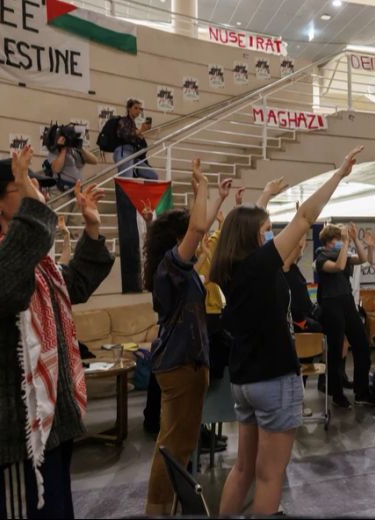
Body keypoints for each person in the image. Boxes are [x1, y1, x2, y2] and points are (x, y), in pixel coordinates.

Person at [0, 147, 113, 519]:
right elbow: (1, 290)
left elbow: (73, 285)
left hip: (48, 433)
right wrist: (35, 218)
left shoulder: (26, 259)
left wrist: (93, 229)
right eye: (24, 184)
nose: (37, 190)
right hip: (12, 442)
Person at [212, 146, 364, 516]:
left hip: (243, 379)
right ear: (253, 237)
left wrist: (263, 196)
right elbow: (307, 215)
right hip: (273, 377)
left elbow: (237, 224)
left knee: (245, 468)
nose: (271, 236)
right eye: (266, 231)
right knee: (269, 475)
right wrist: (338, 175)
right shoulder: (261, 265)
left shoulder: (229, 267)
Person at [142, 160, 231, 515]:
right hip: (180, 365)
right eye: (191, 236)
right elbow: (196, 227)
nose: (198, 238)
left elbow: (200, 228)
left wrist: (217, 200)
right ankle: (157, 509)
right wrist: (202, 188)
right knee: (174, 446)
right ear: (178, 241)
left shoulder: (181, 271)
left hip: (186, 364)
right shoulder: (170, 267)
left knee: (180, 443)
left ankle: (168, 504)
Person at [314, 222, 375, 408]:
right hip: (331, 303)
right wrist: (346, 242)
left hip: (346, 301)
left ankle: (361, 391)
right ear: (328, 242)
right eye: (337, 240)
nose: (341, 243)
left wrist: (356, 239)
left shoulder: (342, 253)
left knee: (362, 345)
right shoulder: (321, 258)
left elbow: (364, 259)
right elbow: (339, 266)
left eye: (341, 240)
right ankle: (337, 393)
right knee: (336, 349)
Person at [115, 99, 157, 180]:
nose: (138, 111)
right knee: (126, 181)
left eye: (140, 109)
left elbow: (143, 146)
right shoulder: (123, 120)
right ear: (129, 109)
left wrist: (141, 136)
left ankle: (144, 193)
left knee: (153, 176)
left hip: (134, 156)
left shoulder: (134, 125)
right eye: (135, 108)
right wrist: (140, 131)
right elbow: (125, 135)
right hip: (124, 152)